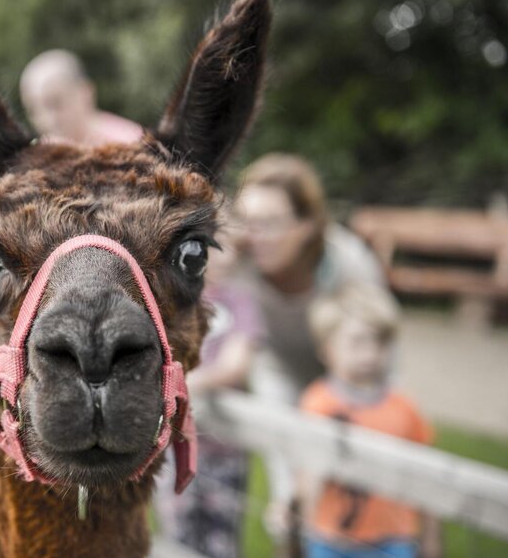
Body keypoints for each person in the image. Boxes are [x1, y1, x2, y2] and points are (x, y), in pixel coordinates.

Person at [230, 153, 386, 542]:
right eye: (247, 221)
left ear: (306, 225)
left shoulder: (347, 263)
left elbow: (384, 343)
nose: (254, 235)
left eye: (269, 223)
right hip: (277, 366)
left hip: (349, 369)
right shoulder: (239, 261)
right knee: (290, 496)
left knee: (358, 484)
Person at [299, 283, 441, 558]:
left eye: (380, 341)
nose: (370, 354)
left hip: (393, 539)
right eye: (358, 342)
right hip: (330, 539)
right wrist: (301, 526)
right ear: (327, 349)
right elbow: (307, 474)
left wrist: (432, 537)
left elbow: (428, 477)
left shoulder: (404, 408)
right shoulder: (317, 404)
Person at [156, 239, 263, 558]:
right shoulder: (175, 300)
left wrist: (188, 383)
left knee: (221, 539)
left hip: (223, 449)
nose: (220, 257)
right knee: (178, 533)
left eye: (229, 247)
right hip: (176, 446)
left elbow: (236, 365)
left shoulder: (240, 302)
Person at [19, 49, 143, 146]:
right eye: (33, 111)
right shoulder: (38, 159)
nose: (47, 119)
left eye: (56, 103)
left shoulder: (132, 145)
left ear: (86, 93)